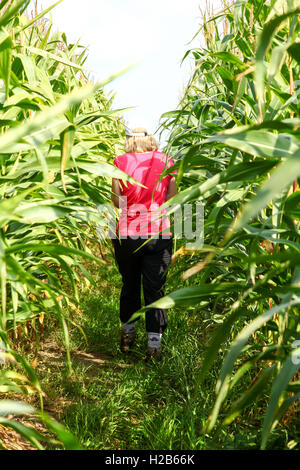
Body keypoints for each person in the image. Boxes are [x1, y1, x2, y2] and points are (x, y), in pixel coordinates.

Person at [111, 127, 177, 361]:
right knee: (155, 289)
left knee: (130, 284)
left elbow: (118, 202)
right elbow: (172, 196)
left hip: (127, 235)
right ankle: (154, 345)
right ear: (150, 138)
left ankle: (128, 337)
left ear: (129, 139)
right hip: (158, 233)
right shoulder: (167, 160)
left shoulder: (120, 161)